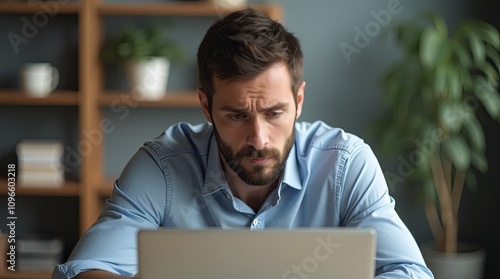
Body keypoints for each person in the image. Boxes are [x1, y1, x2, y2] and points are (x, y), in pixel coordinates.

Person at [52, 8, 433, 279]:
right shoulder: (162, 167)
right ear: (206, 105)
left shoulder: (347, 164)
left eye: (274, 113)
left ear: (299, 101)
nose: (258, 139)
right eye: (236, 115)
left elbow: (409, 271)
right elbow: (86, 270)